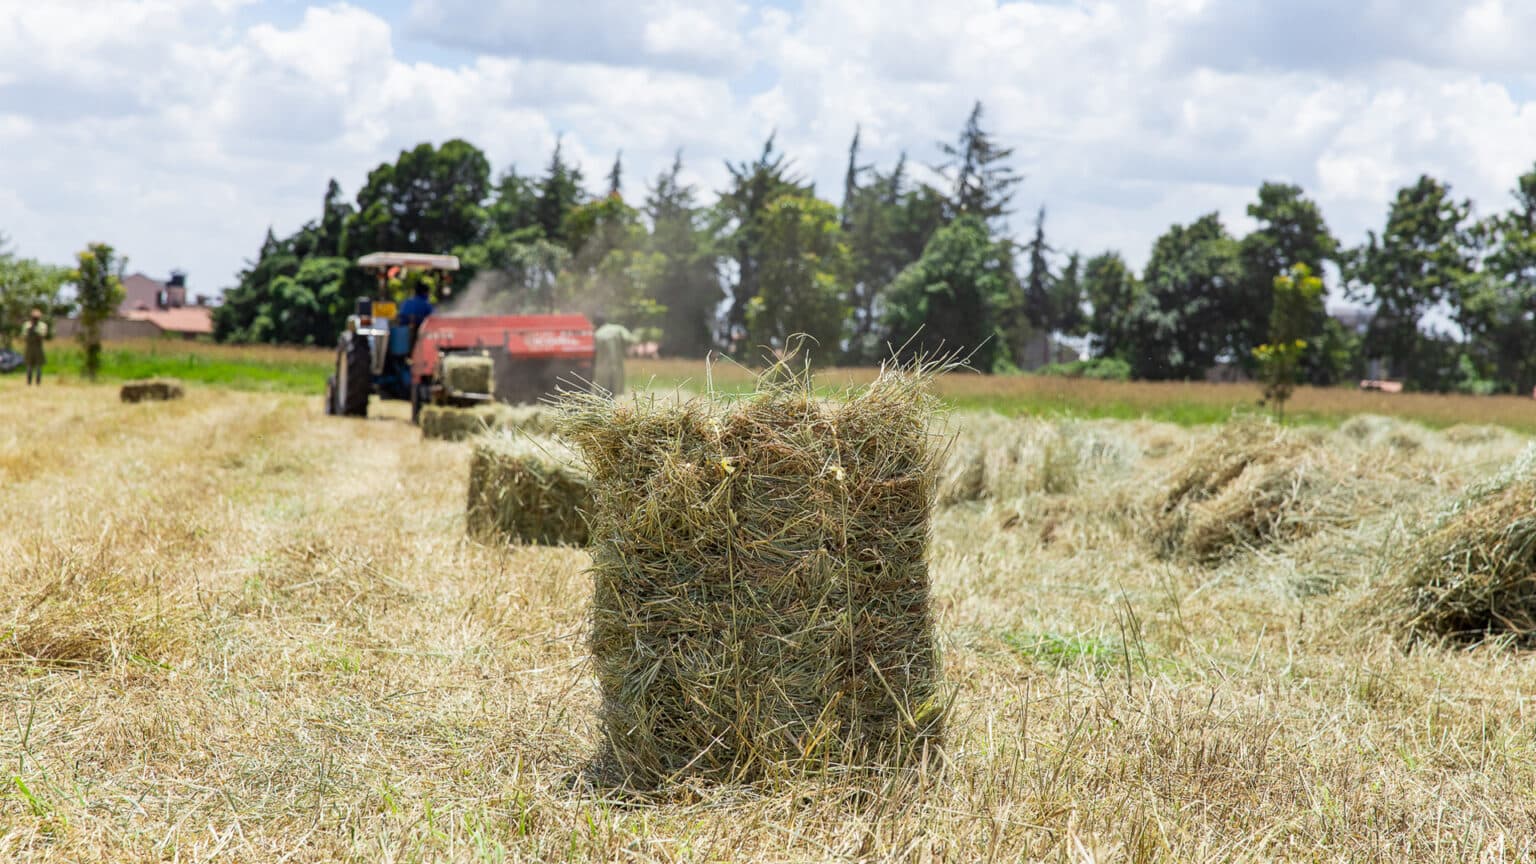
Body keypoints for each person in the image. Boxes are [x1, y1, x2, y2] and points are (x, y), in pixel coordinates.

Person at [593, 317, 635, 396]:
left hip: (602, 366)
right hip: (617, 365)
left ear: (595, 324)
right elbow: (629, 339)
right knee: (614, 387)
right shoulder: (618, 329)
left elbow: (593, 349)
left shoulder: (597, 334)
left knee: (602, 389)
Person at [22, 308, 47, 386]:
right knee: (29, 367)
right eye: (34, 318)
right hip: (29, 348)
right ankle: (29, 383)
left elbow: (42, 336)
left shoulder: (42, 325)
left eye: (36, 318)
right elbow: (24, 336)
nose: (35, 319)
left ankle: (38, 383)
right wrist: (30, 329)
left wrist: (34, 330)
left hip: (38, 348)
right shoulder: (26, 325)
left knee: (38, 367)